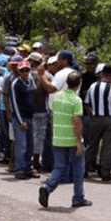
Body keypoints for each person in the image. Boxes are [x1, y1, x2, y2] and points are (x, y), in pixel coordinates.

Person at [38, 72, 91, 209]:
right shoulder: (76, 100)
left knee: (59, 167)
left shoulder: (57, 97)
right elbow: (77, 121)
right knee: (78, 169)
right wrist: (79, 142)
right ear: (79, 84)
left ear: (67, 83)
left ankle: (47, 187)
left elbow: (53, 115)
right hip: (72, 139)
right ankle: (78, 198)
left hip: (58, 137)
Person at [83, 64, 111, 181]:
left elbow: (86, 103)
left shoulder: (93, 86)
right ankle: (105, 172)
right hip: (110, 120)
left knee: (91, 144)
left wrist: (91, 115)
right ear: (110, 76)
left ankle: (84, 168)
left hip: (94, 118)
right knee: (108, 146)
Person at [11, 60, 38, 179]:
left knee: (30, 146)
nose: (25, 73)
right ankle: (19, 169)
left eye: (27, 70)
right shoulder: (15, 84)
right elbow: (15, 103)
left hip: (30, 117)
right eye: (22, 70)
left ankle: (28, 167)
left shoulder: (30, 81)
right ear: (18, 71)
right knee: (21, 145)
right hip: (20, 118)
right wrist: (20, 120)